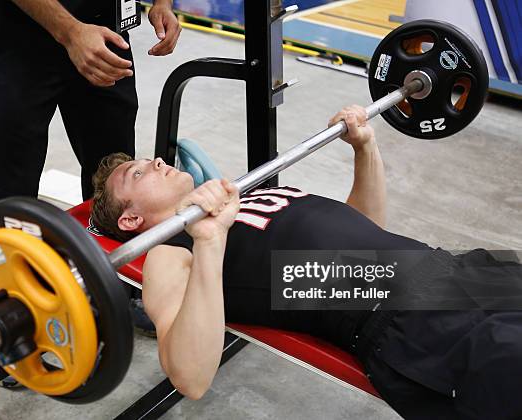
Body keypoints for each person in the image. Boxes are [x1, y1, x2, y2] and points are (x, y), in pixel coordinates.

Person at [89, 106, 522, 419]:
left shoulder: (246, 195)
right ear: (130, 219)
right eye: (139, 173)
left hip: (448, 271)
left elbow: (366, 232)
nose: (157, 161)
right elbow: (190, 377)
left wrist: (364, 149)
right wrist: (208, 240)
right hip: (409, 322)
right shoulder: (172, 252)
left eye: (149, 158)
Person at [0, 0, 181, 206]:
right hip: (23, 32)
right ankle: (4, 234)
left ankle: (109, 234)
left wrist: (162, 4)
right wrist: (71, 33)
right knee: (10, 184)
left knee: (115, 179)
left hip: (104, 31)